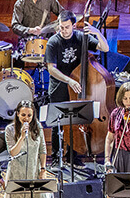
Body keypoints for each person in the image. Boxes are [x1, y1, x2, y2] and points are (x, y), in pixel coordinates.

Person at [45, 10, 110, 159]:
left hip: (77, 86)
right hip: (60, 86)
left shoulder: (81, 38)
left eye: (67, 27)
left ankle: (72, 156)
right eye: (61, 27)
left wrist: (97, 32)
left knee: (75, 121)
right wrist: (69, 80)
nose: (64, 30)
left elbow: (105, 48)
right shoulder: (53, 42)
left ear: (74, 25)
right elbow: (51, 69)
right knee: (58, 124)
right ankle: (56, 157)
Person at [3, 101, 52, 198]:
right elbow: (13, 152)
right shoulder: (10, 129)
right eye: (23, 115)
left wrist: (43, 168)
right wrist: (22, 137)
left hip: (34, 170)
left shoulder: (37, 126)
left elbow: (43, 149)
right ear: (17, 114)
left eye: (29, 115)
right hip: (17, 172)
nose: (26, 118)